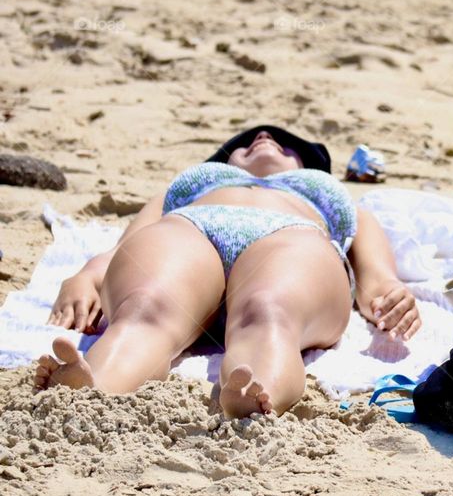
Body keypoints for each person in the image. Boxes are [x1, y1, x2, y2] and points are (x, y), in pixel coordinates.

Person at [35, 126, 421, 418]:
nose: (265, 136)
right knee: (145, 307)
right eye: (246, 141)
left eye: (286, 143)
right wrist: (88, 274)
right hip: (190, 229)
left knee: (270, 311)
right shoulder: (189, 190)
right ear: (225, 161)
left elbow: (376, 277)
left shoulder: (332, 199)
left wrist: (388, 292)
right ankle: (95, 385)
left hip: (291, 236)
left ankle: (255, 389)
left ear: (306, 165)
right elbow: (124, 250)